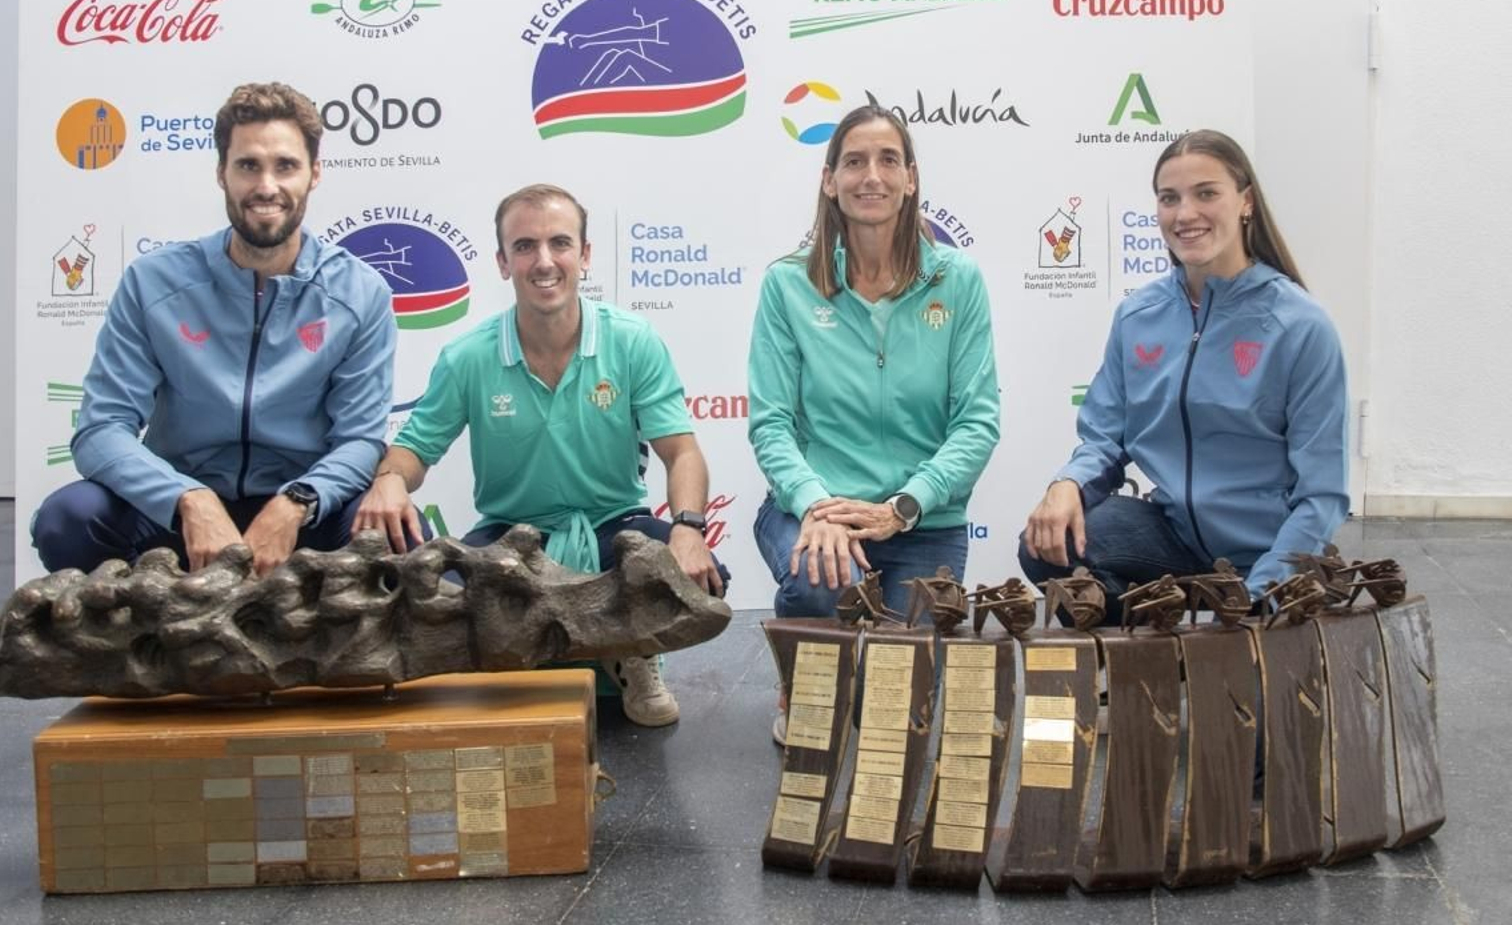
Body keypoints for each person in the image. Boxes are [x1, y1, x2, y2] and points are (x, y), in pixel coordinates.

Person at [353, 184, 728, 727]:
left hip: (613, 529)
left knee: (701, 574)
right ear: (503, 262)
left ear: (585, 255)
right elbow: (413, 449)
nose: (544, 261)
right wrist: (389, 478)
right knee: (440, 598)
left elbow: (682, 451)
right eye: (525, 246)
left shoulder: (632, 340)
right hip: (513, 539)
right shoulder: (469, 356)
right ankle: (553, 658)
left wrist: (690, 527)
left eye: (560, 243)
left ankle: (634, 655)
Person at [30, 82, 397, 577]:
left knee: (396, 536)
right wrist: (188, 498)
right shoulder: (154, 282)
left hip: (300, 513)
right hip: (176, 511)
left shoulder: (359, 292)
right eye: (248, 165)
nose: (266, 186)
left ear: (314, 174)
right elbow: (100, 431)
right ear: (221, 173)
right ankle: (140, 648)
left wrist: (297, 501)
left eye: (285, 166)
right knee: (67, 519)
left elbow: (360, 440)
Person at [1019, 129, 1348, 624]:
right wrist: (1068, 484)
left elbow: (1322, 494)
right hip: (1174, 535)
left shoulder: (1300, 326)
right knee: (1046, 545)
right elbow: (1104, 437)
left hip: (1269, 547)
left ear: (1245, 202)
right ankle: (1152, 669)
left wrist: (1260, 594)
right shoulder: (1139, 315)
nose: (1185, 214)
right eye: (1169, 198)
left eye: (1206, 193)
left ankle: (1209, 654)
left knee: (1242, 661)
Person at [747, 104, 1001, 737]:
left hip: (922, 519)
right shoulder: (788, 284)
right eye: (854, 161)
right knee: (819, 582)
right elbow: (771, 424)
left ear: (911, 179)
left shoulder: (958, 280)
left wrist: (905, 506)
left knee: (902, 709)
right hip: (816, 508)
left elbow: (977, 422)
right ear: (830, 180)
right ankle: (801, 689)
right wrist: (816, 507)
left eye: (889, 160)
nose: (872, 176)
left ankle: (858, 675)